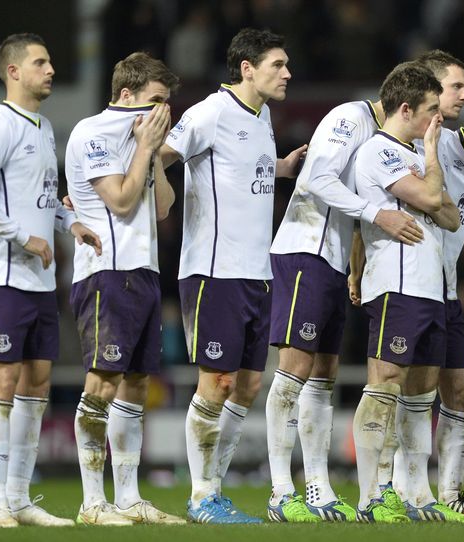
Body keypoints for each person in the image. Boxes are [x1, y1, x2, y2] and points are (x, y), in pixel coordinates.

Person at [160, 28, 306, 525]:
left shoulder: (262, 116)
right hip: (214, 270)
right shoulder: (209, 113)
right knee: (216, 382)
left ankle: (214, 491)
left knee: (245, 385)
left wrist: (283, 167)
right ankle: (201, 496)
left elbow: (250, 174)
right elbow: (162, 154)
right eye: (277, 64)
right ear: (247, 67)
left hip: (256, 273)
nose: (287, 73)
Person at [0, 33, 100, 528]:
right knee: (2, 382)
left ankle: (19, 498)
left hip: (39, 281)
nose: (52, 69)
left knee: (37, 384)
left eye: (51, 60)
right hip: (2, 274)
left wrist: (68, 224)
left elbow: (40, 199)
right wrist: (21, 236)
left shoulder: (42, 127)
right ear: (14, 71)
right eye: (41, 62)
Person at [265, 71, 424, 521]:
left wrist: (355, 268)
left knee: (323, 377)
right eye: (427, 111)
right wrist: (378, 214)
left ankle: (317, 487)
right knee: (295, 370)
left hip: (332, 261)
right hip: (305, 249)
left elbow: (350, 209)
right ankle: (280, 491)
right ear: (405, 106)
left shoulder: (382, 139)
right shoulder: (351, 116)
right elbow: (317, 178)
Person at [65, 51, 183, 526]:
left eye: (167, 102)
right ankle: (93, 502)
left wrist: (153, 154)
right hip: (106, 272)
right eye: (156, 100)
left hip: (144, 270)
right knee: (103, 382)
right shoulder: (92, 132)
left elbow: (161, 208)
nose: (162, 112)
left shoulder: (146, 139)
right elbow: (119, 198)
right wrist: (142, 148)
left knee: (135, 384)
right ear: (127, 94)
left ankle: (131, 498)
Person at [348, 61, 464, 523]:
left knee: (421, 394)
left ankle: (417, 495)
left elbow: (452, 217)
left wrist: (431, 185)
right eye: (431, 111)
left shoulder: (415, 156)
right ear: (406, 108)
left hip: (431, 288)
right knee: (385, 387)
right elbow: (435, 201)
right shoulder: (379, 152)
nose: (437, 120)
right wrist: (434, 158)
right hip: (395, 286)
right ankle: (370, 496)